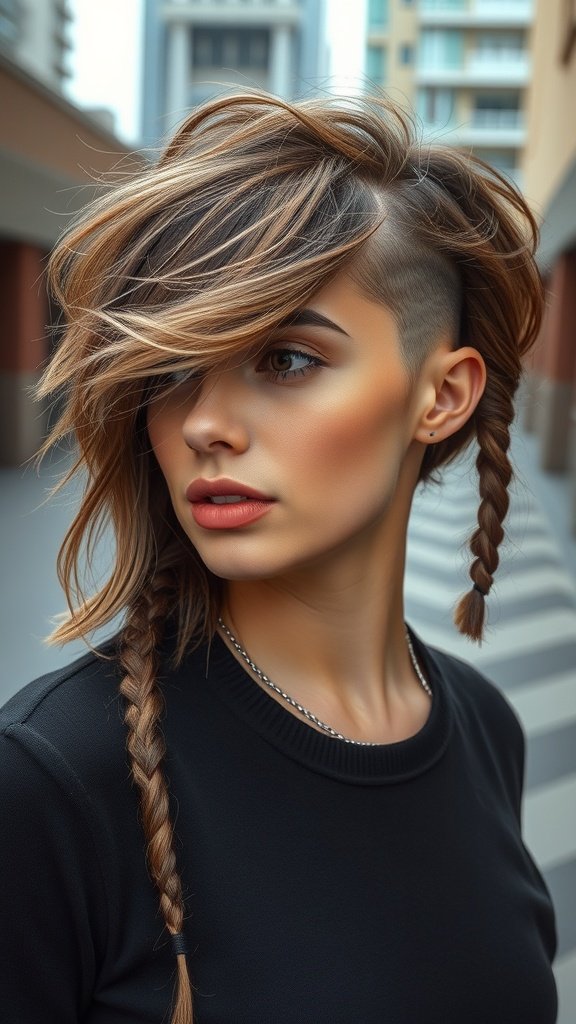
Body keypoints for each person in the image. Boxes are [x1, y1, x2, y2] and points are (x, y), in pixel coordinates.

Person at [0, 91, 557, 1024]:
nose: (205, 424)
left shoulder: (488, 729)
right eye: (173, 369)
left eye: (287, 359)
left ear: (444, 394)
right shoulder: (50, 781)